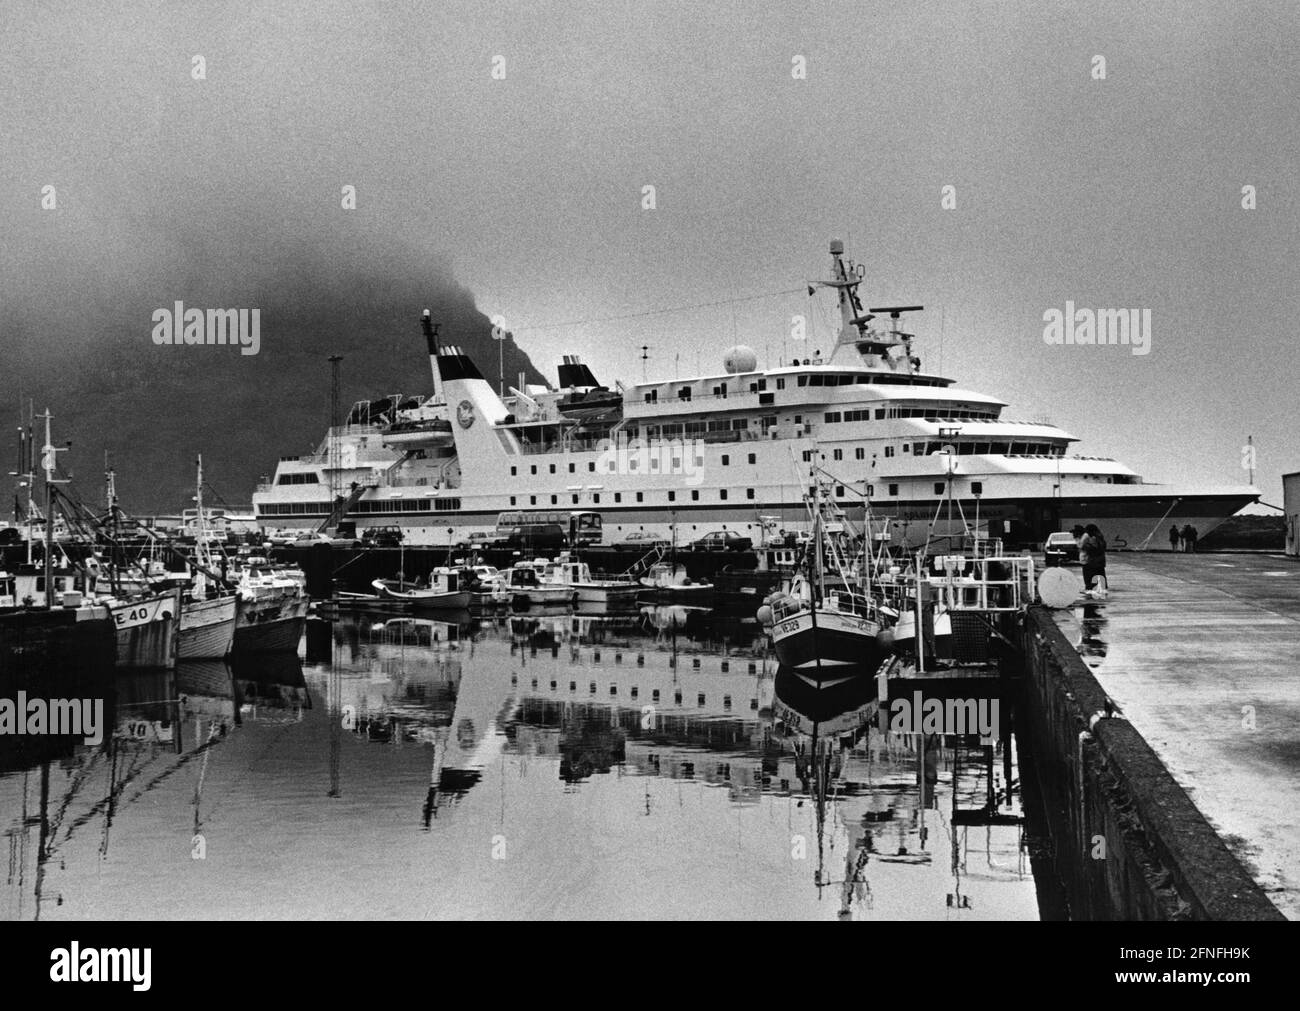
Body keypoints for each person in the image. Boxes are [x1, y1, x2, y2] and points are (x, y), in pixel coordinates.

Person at [1080, 523, 1108, 593]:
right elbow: (1102, 548)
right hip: (1100, 560)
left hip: (1092, 561)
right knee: (1100, 574)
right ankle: (1102, 589)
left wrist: (1085, 546)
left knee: (1089, 575)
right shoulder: (1100, 537)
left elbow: (1093, 549)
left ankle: (1090, 589)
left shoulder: (1093, 538)